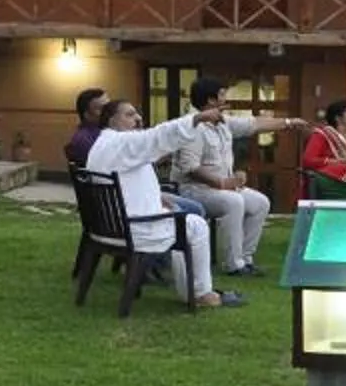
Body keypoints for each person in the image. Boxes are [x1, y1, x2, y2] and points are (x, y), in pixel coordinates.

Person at [85, 98, 239, 306]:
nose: (138, 119)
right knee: (195, 225)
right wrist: (197, 118)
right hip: (134, 229)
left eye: (137, 113)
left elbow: (128, 181)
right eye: (129, 114)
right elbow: (157, 136)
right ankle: (201, 294)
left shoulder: (104, 144)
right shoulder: (122, 143)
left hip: (109, 228)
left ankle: (194, 291)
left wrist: (156, 198)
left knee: (181, 218)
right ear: (112, 121)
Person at [165, 77, 303, 277]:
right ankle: (232, 264)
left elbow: (253, 124)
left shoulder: (222, 122)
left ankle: (246, 259)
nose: (226, 97)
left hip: (221, 188)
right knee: (234, 202)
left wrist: (288, 122)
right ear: (211, 100)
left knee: (260, 203)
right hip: (193, 190)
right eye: (222, 93)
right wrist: (222, 183)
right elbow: (190, 167)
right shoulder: (192, 127)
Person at [64, 87, 111, 173]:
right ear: (87, 115)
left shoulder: (107, 131)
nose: (109, 112)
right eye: (102, 109)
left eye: (110, 107)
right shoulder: (84, 139)